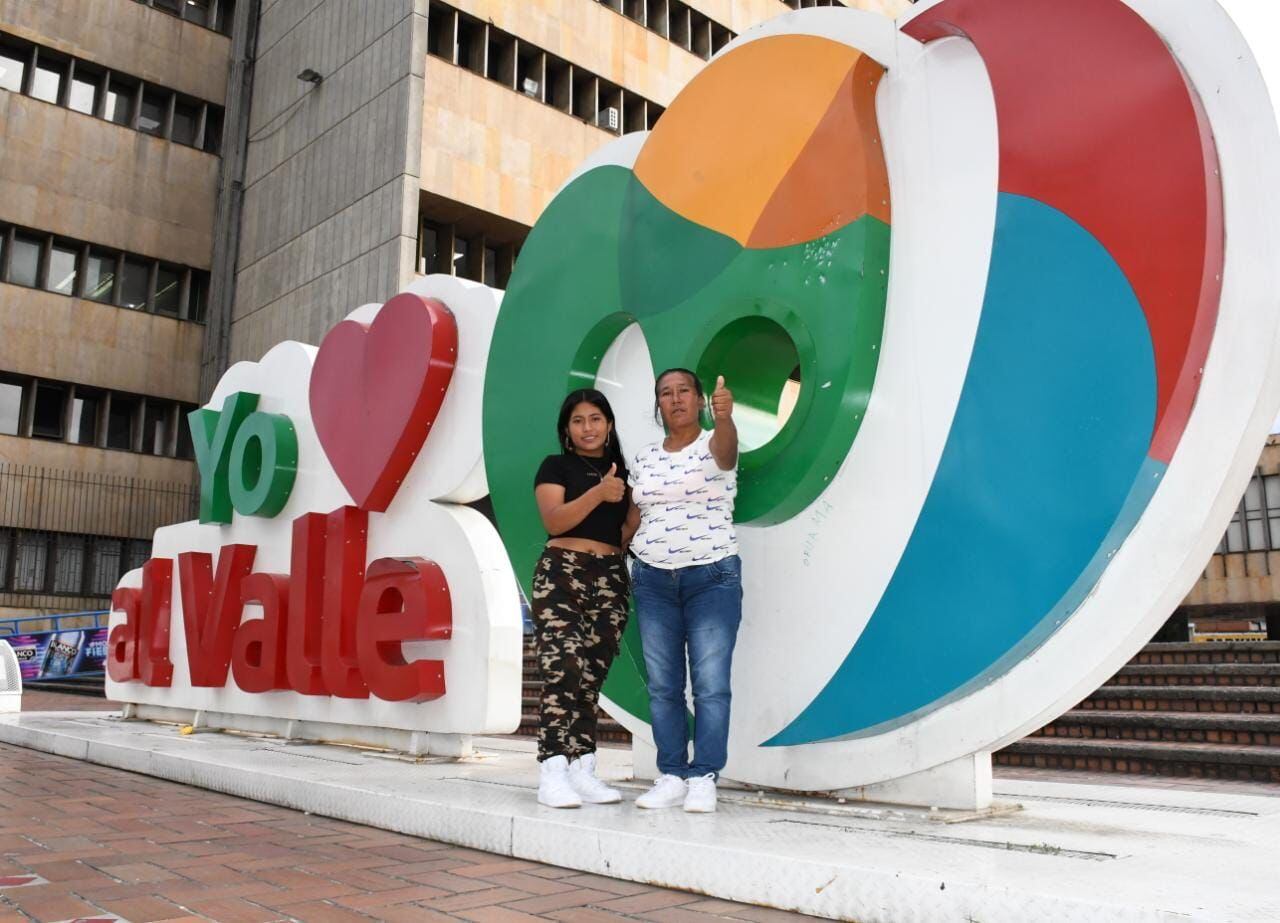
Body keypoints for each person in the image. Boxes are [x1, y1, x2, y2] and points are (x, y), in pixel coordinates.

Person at [626, 368, 740, 813]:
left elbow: (727, 455)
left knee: (710, 685)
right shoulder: (645, 458)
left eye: (683, 392)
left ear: (699, 400)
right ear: (659, 404)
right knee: (662, 686)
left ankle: (705, 775)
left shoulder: (714, 444)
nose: (675, 400)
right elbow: (635, 517)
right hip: (653, 579)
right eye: (665, 393)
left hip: (711, 576)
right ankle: (671, 773)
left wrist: (726, 420)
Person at [531, 389, 632, 808]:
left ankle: (582, 768)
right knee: (564, 668)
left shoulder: (623, 472)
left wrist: (627, 502)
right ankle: (552, 770)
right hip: (562, 573)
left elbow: (625, 534)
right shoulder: (556, 466)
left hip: (609, 576)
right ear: (566, 429)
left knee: (590, 679)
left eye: (595, 419)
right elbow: (553, 519)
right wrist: (598, 493)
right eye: (578, 420)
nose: (587, 428)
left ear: (608, 424)